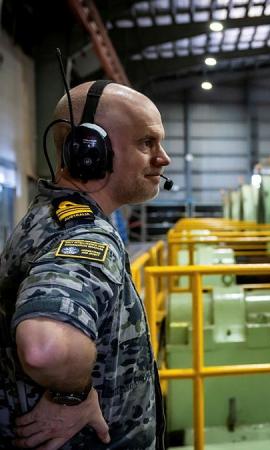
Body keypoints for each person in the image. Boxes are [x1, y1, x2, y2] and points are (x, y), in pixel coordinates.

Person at [0, 80, 170, 448]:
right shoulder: (86, 237)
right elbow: (45, 347)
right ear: (90, 150)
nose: (163, 158)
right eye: (147, 143)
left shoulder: (47, 213)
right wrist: (72, 394)